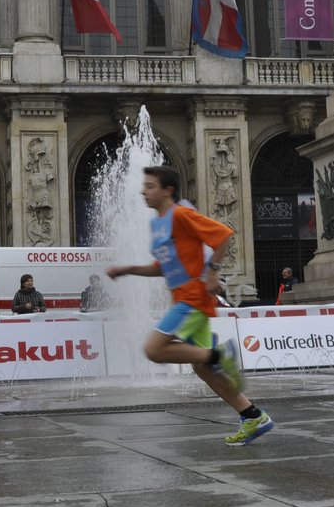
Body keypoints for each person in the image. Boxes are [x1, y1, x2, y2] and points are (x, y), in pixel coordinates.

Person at [107, 165, 273, 446]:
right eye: (144, 186)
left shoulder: (182, 215)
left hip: (192, 300)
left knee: (154, 350)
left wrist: (212, 271)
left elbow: (222, 235)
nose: (143, 191)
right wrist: (129, 269)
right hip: (183, 297)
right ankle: (252, 415)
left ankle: (218, 354)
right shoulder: (158, 223)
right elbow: (166, 267)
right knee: (203, 368)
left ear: (167, 190)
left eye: (150, 186)